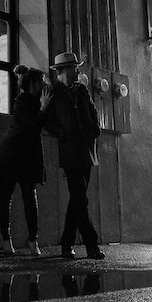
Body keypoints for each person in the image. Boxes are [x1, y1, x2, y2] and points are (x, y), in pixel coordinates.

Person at [44, 52, 105, 259]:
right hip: (70, 151)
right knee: (80, 197)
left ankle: (67, 242)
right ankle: (91, 244)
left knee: (77, 199)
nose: (77, 71)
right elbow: (48, 119)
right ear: (64, 70)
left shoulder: (81, 90)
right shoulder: (52, 91)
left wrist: (95, 129)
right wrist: (62, 134)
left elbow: (92, 110)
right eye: (73, 68)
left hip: (86, 149)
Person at [0, 65, 53, 256]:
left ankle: (33, 240)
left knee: (29, 197)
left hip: (26, 155)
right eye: (41, 80)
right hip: (11, 154)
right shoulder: (22, 101)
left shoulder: (38, 99)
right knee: (7, 197)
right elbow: (32, 128)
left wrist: (43, 107)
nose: (44, 83)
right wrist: (43, 109)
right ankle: (6, 240)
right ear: (33, 83)